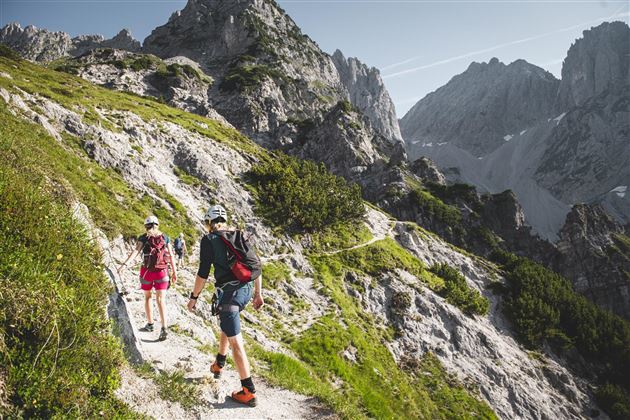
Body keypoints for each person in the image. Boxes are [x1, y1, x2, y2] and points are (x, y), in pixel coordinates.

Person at [187, 205, 264, 407]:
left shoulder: (209, 239)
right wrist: (258, 293)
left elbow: (203, 273)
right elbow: (256, 264)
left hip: (230, 295)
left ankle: (249, 391)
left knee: (236, 341)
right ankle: (219, 364)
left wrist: (194, 296)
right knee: (226, 323)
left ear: (209, 223)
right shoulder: (237, 235)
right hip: (246, 290)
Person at [118, 215, 177, 341]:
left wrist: (124, 265)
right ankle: (164, 328)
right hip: (162, 272)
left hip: (146, 272)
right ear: (158, 225)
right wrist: (175, 272)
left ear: (146, 226)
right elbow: (171, 255)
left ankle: (150, 324)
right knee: (161, 300)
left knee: (148, 297)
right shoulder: (165, 237)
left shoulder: (144, 237)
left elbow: (136, 251)